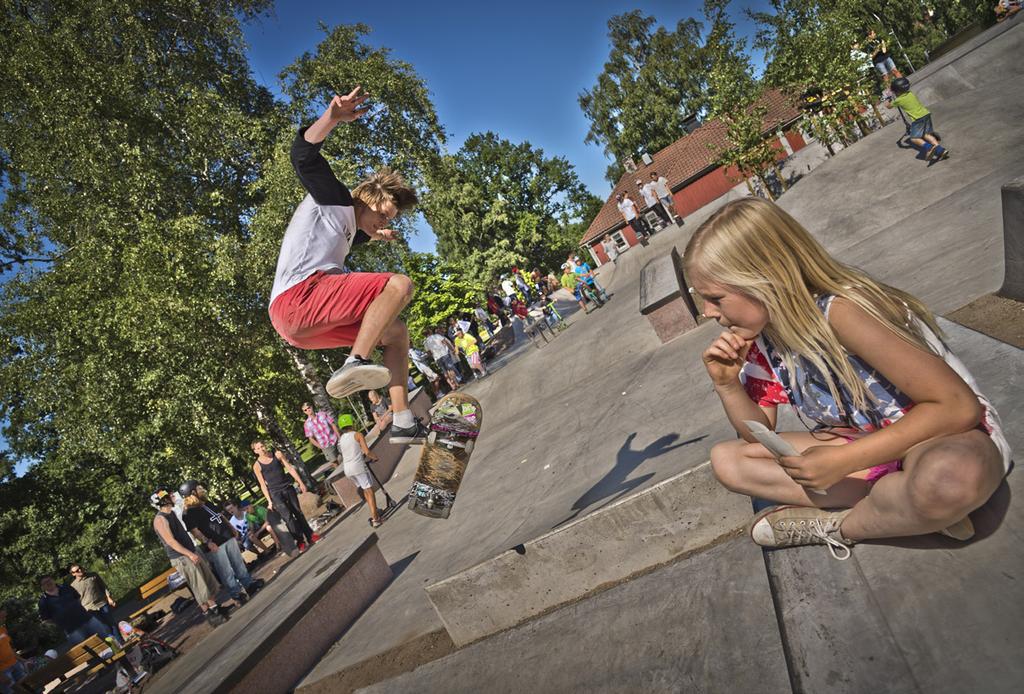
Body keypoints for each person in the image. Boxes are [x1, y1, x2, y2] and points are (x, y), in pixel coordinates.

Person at [685, 198, 1011, 560]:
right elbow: (756, 433)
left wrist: (842, 462)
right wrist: (727, 385)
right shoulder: (764, 339)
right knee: (728, 460)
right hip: (865, 446)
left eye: (715, 298)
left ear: (764, 278)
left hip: (936, 438)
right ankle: (906, 507)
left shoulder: (843, 311)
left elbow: (957, 407)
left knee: (951, 479)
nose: (708, 313)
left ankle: (843, 525)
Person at [267, 85, 428, 445]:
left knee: (396, 331)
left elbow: (354, 235)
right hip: (298, 298)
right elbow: (302, 156)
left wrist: (375, 235)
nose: (385, 223)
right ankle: (355, 361)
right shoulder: (335, 198)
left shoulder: (349, 230)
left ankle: (402, 419)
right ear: (365, 199)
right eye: (383, 215)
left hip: (298, 329)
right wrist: (331, 118)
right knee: (398, 285)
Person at [151, 490, 227, 627]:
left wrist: (193, 551)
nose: (174, 496)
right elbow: (171, 542)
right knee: (199, 585)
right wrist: (189, 554)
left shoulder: (171, 513)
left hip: (191, 551)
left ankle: (216, 608)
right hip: (182, 557)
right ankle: (211, 615)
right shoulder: (160, 519)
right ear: (164, 500)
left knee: (208, 580)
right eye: (170, 496)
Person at [180, 481, 263, 605]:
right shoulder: (189, 512)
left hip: (227, 537)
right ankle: (237, 594)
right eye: (199, 488)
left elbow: (220, 516)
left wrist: (231, 528)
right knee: (226, 572)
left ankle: (249, 585)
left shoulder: (206, 503)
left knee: (238, 564)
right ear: (192, 492)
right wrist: (207, 542)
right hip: (215, 545)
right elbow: (195, 531)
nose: (202, 490)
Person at [252, 441, 316, 552]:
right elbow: (262, 485)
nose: (262, 449)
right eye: (258, 448)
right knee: (288, 518)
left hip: (288, 488)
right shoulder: (257, 466)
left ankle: (310, 536)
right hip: (276, 494)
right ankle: (300, 542)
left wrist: (300, 482)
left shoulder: (277, 454)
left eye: (262, 446)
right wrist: (269, 501)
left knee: (298, 512)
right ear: (255, 451)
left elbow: (290, 468)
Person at [38, 576, 121, 645]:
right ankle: (107, 664)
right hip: (72, 630)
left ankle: (122, 659)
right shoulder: (43, 601)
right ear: (42, 587)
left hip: (87, 619)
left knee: (106, 638)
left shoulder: (66, 587)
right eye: (45, 583)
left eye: (49, 580)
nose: (48, 583)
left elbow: (78, 598)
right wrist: (60, 621)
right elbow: (46, 620)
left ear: (53, 579)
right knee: (88, 651)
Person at [885, 77, 949, 161]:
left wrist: (887, 97)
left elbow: (888, 106)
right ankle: (941, 150)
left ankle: (929, 148)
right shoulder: (910, 93)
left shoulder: (898, 100)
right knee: (926, 135)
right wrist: (894, 91)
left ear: (897, 91)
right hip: (926, 114)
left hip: (918, 119)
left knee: (914, 139)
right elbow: (900, 90)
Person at [337, 414, 384, 527]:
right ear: (352, 423)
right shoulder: (358, 435)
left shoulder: (341, 439)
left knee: (364, 490)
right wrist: (375, 457)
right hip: (358, 467)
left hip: (348, 470)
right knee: (369, 490)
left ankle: (375, 511)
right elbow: (367, 452)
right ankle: (375, 519)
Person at [69, 564, 117, 632]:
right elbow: (75, 600)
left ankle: (121, 642)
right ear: (73, 574)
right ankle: (113, 641)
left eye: (80, 568)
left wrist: (109, 598)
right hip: (90, 609)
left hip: (102, 603)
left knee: (112, 624)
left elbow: (103, 586)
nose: (79, 570)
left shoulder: (93, 575)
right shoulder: (73, 586)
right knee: (105, 628)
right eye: (77, 570)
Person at [302, 402, 342, 468]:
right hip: (325, 445)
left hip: (335, 439)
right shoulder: (307, 424)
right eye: (305, 410)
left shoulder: (322, 414)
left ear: (311, 407)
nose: (308, 410)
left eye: (308, 408)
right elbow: (311, 438)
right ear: (304, 412)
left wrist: (339, 437)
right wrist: (321, 447)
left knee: (347, 455)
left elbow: (332, 424)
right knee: (335, 464)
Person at [424, 327, 461, 391]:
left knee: (445, 372)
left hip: (437, 358)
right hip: (444, 354)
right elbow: (445, 342)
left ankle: (452, 386)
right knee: (450, 368)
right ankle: (457, 382)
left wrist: (433, 355)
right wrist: (452, 349)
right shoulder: (437, 336)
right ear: (430, 332)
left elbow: (429, 353)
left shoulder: (425, 342)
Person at [0, 607, 26, 694]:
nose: (4, 619)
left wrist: (22, 660)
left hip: (15, 664)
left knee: (27, 687)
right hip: (3, 671)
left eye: (5, 617)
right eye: (2, 617)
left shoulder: (3, 629)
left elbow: (9, 648)